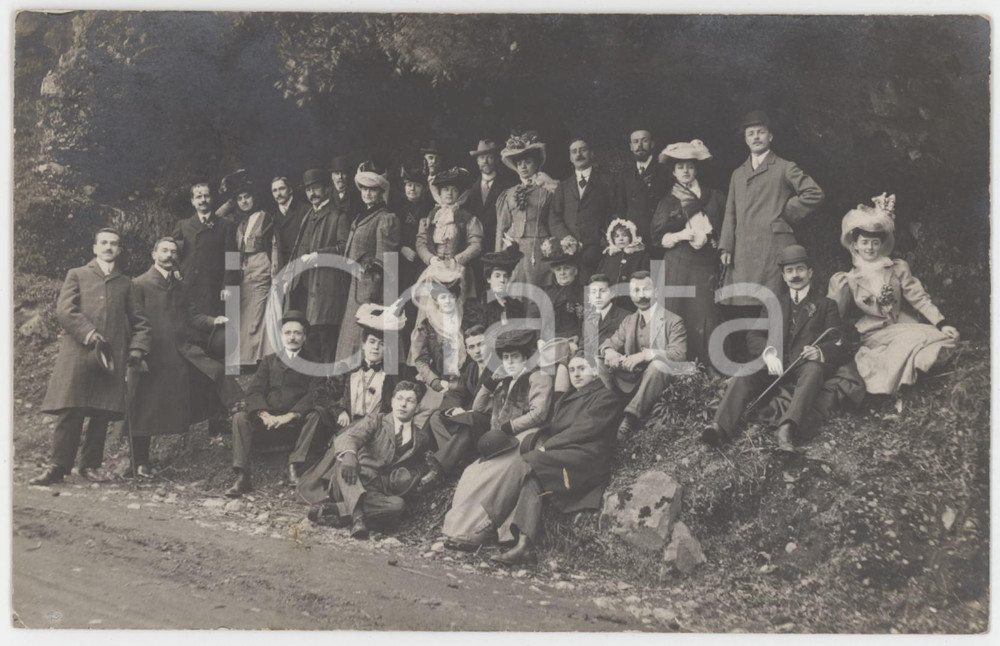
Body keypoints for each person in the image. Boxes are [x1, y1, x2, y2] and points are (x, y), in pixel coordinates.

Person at [31, 228, 152, 486]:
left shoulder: (126, 284)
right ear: (94, 248)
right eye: (104, 243)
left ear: (119, 251)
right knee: (71, 410)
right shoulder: (77, 274)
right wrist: (89, 333)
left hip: (111, 359)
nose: (108, 248)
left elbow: (141, 322)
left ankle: (90, 466)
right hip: (78, 353)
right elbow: (65, 310)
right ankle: (58, 466)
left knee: (101, 412)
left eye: (114, 244)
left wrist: (136, 350)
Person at [480, 351, 625, 566]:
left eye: (582, 369)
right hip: (564, 456)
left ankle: (489, 525)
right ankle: (524, 546)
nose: (576, 374)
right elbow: (554, 427)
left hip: (585, 460)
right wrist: (538, 438)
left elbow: (584, 430)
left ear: (594, 371)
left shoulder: (606, 397)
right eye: (573, 369)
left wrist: (545, 448)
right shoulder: (568, 398)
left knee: (525, 461)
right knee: (533, 481)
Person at [704, 245, 849, 451]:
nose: (795, 275)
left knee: (814, 370)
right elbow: (753, 335)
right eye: (789, 271)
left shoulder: (826, 305)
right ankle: (719, 427)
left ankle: (787, 428)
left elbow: (838, 340)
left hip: (803, 365)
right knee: (746, 372)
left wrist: (820, 352)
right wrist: (769, 352)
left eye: (800, 269)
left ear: (810, 273)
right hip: (774, 365)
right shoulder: (773, 304)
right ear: (783, 275)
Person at [123, 237, 243, 477]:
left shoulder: (180, 285)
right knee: (143, 406)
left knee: (215, 371)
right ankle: (138, 462)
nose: (169, 256)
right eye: (164, 251)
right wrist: (137, 353)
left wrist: (213, 321)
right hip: (153, 354)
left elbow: (192, 316)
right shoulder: (139, 284)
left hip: (181, 350)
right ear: (153, 253)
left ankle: (238, 408)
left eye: (173, 252)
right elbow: (133, 322)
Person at [827, 194, 959, 395]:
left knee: (938, 336)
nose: (870, 248)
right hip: (873, 332)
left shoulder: (897, 268)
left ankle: (914, 377)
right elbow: (834, 313)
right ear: (855, 245)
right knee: (913, 340)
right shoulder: (848, 279)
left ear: (882, 244)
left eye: (874, 243)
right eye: (864, 242)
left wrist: (942, 322)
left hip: (901, 323)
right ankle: (897, 382)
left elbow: (919, 297)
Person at [442, 328, 553, 549]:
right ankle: (459, 530)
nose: (510, 362)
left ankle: (483, 532)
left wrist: (509, 426)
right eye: (506, 358)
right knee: (471, 473)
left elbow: (539, 413)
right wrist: (490, 383)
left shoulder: (538, 377)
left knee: (494, 476)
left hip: (526, 440)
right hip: (503, 442)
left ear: (526, 358)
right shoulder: (504, 381)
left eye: (515, 357)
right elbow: (477, 408)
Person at [718, 111, 825, 319]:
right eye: (751, 134)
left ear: (771, 137)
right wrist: (726, 246)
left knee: (776, 302)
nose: (756, 137)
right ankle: (753, 349)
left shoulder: (785, 167)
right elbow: (730, 212)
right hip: (744, 249)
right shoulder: (738, 174)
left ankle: (778, 349)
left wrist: (786, 213)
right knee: (746, 303)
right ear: (745, 139)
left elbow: (814, 193)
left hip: (773, 245)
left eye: (761, 132)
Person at [297, 381, 434, 539]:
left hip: (378, 492)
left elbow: (420, 464)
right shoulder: (376, 421)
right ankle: (358, 519)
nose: (403, 404)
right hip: (352, 480)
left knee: (398, 505)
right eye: (399, 399)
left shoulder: (421, 438)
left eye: (410, 401)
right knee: (344, 461)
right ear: (392, 401)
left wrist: (411, 475)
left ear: (417, 407)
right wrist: (349, 455)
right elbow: (349, 436)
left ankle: (334, 510)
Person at [226, 310, 324, 496]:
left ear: (304, 337)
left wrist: (290, 415)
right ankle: (242, 475)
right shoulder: (270, 361)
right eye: (287, 333)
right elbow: (254, 391)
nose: (292, 337)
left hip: (295, 424)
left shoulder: (315, 363)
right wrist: (264, 414)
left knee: (316, 415)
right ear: (281, 337)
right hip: (268, 423)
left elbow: (315, 394)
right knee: (239, 417)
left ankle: (295, 465)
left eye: (297, 333)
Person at [650, 140, 726, 369]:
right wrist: (682, 234)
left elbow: (726, 227)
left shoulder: (714, 197)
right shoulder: (668, 200)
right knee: (677, 312)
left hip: (705, 264)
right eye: (680, 167)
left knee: (706, 314)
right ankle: (677, 371)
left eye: (690, 166)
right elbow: (658, 237)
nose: (685, 171)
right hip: (678, 263)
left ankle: (708, 370)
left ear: (696, 169)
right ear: (673, 171)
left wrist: (714, 239)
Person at [600, 271, 690, 440]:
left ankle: (630, 418)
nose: (641, 296)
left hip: (658, 377)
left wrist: (646, 355)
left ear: (656, 292)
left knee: (658, 364)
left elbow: (679, 354)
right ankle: (612, 410)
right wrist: (609, 352)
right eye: (635, 291)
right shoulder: (629, 320)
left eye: (646, 290)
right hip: (630, 377)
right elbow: (609, 343)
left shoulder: (673, 320)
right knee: (598, 362)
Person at [335, 161, 401, 367]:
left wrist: (372, 294)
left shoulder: (386, 218)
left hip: (371, 289)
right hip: (356, 285)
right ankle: (345, 382)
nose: (367, 193)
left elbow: (385, 261)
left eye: (373, 190)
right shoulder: (362, 216)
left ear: (381, 192)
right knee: (351, 334)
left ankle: (362, 376)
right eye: (364, 189)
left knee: (364, 333)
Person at [417, 325, 493, 491]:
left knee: (468, 421)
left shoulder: (498, 367)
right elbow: (458, 393)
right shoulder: (472, 368)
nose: (477, 351)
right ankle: (455, 461)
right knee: (437, 417)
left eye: (481, 344)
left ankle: (441, 466)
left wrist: (467, 412)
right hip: (471, 416)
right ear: (467, 350)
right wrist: (452, 410)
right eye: (471, 347)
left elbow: (495, 403)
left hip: (488, 419)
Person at [287, 168, 351, 363]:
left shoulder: (338, 216)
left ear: (326, 189)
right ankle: (315, 383)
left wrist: (318, 255)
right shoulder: (308, 215)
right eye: (308, 190)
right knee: (310, 335)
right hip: (305, 285)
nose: (312, 193)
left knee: (326, 336)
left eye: (316, 188)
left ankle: (329, 384)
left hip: (326, 285)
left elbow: (343, 249)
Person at [314, 302, 404, 433]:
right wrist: (338, 411)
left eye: (382, 344)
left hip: (377, 430)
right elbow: (320, 395)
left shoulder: (394, 375)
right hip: (349, 428)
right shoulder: (347, 371)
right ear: (363, 344)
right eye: (372, 342)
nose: (376, 347)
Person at [171, 181, 236, 336]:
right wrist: (175, 269)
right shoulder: (183, 225)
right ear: (193, 201)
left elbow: (232, 257)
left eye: (206, 196)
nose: (203, 200)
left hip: (213, 284)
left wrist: (228, 285)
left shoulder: (225, 225)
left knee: (214, 327)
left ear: (211, 199)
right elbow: (172, 250)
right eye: (198, 197)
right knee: (189, 324)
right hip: (188, 284)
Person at [495, 131, 558, 286]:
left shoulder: (548, 190)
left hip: (538, 247)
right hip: (512, 248)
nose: (523, 166)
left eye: (528, 162)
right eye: (519, 163)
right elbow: (501, 227)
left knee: (536, 289)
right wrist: (498, 257)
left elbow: (556, 220)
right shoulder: (509, 194)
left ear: (536, 164)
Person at [548, 137, 614, 280]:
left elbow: (613, 212)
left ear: (591, 153)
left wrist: (602, 238)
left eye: (583, 150)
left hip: (597, 251)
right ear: (570, 158)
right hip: (568, 253)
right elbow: (555, 216)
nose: (579, 155)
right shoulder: (563, 186)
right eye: (574, 152)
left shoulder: (606, 182)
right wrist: (566, 237)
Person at [415, 166, 484, 302]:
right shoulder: (430, 217)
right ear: (440, 193)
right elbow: (420, 242)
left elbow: (476, 245)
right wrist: (431, 259)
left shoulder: (468, 218)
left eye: (454, 190)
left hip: (458, 269)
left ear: (460, 194)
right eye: (446, 190)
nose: (449, 193)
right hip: (435, 268)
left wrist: (457, 260)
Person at [230, 174, 274, 367]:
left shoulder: (265, 217)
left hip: (261, 267)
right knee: (244, 313)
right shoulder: (240, 223)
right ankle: (244, 357)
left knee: (256, 315)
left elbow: (273, 245)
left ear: (254, 197)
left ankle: (254, 359)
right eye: (239, 199)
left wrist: (273, 268)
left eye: (247, 197)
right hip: (244, 270)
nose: (244, 201)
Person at [408, 271, 467, 408]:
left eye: (450, 296)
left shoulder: (463, 323)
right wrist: (435, 382)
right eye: (442, 297)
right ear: (436, 300)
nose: (447, 301)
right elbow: (421, 361)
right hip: (437, 383)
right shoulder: (426, 327)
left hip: (462, 383)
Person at [466, 139, 515, 294]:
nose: (485, 161)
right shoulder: (470, 189)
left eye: (489, 157)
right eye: (481, 157)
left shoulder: (508, 186)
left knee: (496, 291)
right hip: (475, 249)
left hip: (497, 246)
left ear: (496, 159)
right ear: (476, 161)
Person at [613, 125, 671, 248]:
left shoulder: (665, 172)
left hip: (658, 237)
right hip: (634, 238)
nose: (639, 145)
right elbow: (621, 208)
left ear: (652, 144)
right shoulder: (625, 174)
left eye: (644, 141)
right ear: (631, 147)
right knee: (636, 267)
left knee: (657, 267)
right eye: (635, 142)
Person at [463, 246, 527, 331]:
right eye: (497, 276)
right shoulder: (476, 306)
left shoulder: (516, 307)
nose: (502, 280)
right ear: (489, 279)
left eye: (505, 276)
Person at [531, 237, 584, 341]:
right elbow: (533, 316)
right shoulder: (545, 290)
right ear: (553, 271)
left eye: (567, 268)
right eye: (558, 269)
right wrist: (539, 339)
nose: (562, 273)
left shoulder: (583, 291)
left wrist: (579, 337)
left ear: (576, 270)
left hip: (574, 338)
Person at [595, 218, 649, 308]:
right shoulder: (609, 256)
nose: (620, 239)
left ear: (631, 237)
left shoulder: (640, 256)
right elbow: (600, 275)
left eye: (624, 235)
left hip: (629, 298)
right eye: (617, 236)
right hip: (610, 297)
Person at [270, 176, 309, 273]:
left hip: (303, 268)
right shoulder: (273, 217)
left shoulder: (306, 210)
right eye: (274, 191)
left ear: (290, 190)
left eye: (282, 189)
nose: (278, 194)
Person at [583, 273, 630, 346]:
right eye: (593, 292)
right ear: (589, 296)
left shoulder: (626, 317)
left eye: (602, 291)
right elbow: (583, 346)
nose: (597, 296)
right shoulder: (588, 318)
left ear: (612, 294)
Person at [330, 155, 361, 221]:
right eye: (337, 173)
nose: (340, 177)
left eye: (343, 173)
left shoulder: (357, 196)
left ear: (348, 175)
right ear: (332, 176)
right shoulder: (326, 196)